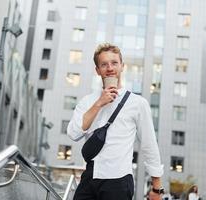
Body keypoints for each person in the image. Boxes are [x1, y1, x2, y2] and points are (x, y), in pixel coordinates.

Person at [67, 43, 164, 200]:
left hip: (118, 180)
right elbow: (73, 133)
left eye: (114, 63)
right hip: (90, 177)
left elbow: (149, 144)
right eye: (104, 64)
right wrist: (99, 103)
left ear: (122, 66)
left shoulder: (137, 103)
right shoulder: (88, 101)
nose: (110, 68)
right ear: (98, 70)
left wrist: (157, 187)